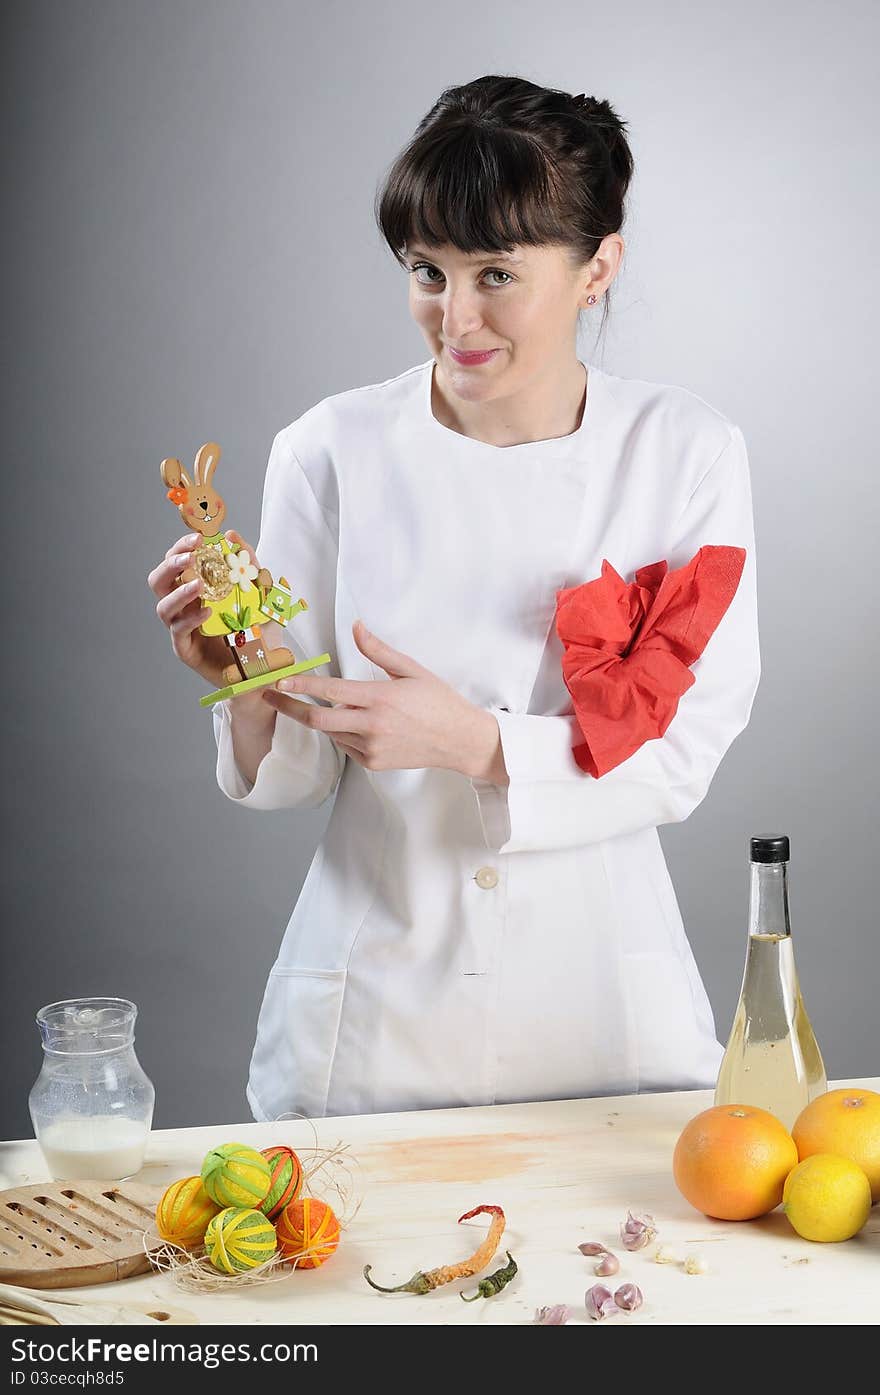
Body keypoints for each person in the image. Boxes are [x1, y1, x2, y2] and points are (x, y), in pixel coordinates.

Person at [148, 75, 761, 1125]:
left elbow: (680, 752)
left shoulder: (684, 453)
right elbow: (296, 776)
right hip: (376, 1016)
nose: (455, 317)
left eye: (495, 275)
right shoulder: (328, 449)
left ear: (597, 266)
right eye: (426, 272)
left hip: (602, 1013)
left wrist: (479, 743)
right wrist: (245, 676)